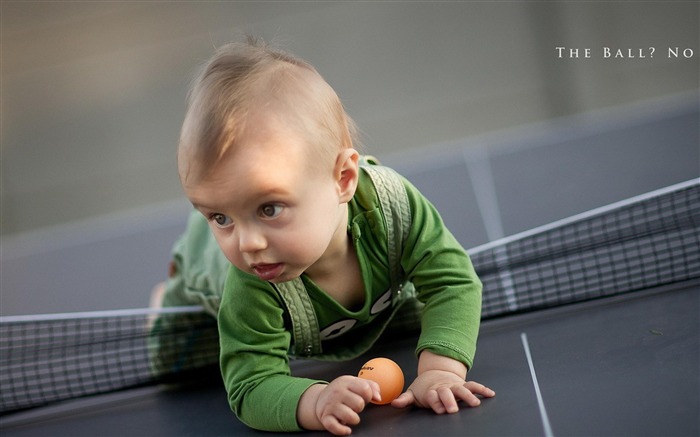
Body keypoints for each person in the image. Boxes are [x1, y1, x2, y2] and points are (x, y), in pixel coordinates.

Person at [154, 38, 494, 435]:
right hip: (205, 276)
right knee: (176, 368)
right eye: (219, 216)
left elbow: (451, 282)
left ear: (343, 179)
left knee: (407, 322)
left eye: (269, 208)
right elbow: (250, 385)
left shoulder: (395, 209)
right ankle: (165, 292)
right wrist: (313, 400)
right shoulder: (249, 279)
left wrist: (439, 371)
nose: (247, 244)